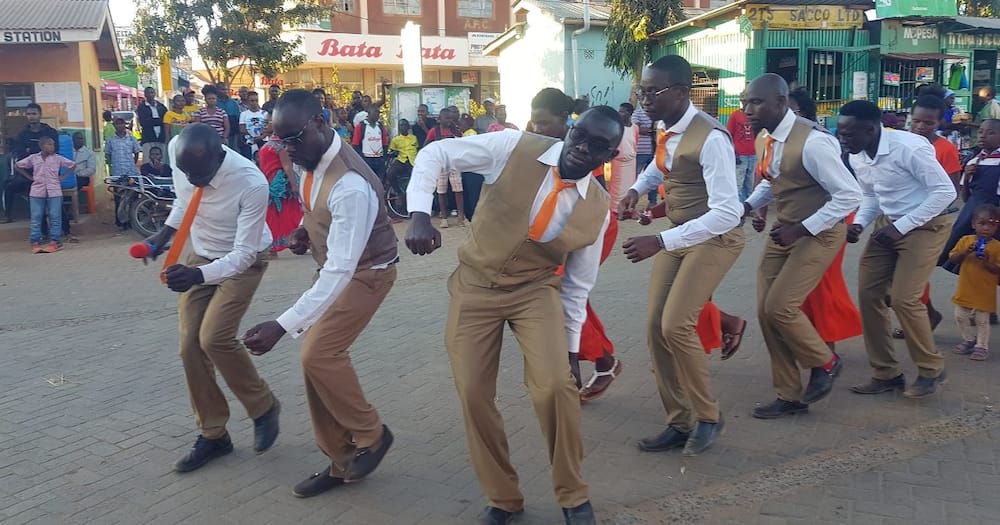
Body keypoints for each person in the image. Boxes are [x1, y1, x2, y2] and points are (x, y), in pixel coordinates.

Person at [404, 106, 622, 525]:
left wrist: (573, 350)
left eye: (599, 147)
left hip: (534, 291)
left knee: (556, 387)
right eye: (581, 136)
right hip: (475, 285)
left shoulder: (598, 207)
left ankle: (573, 495)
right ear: (571, 128)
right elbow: (436, 155)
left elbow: (577, 287)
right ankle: (503, 498)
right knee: (472, 392)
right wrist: (418, 213)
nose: (583, 149)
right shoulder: (512, 146)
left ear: (609, 156)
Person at [242, 90, 398, 498]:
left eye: (294, 138)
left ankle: (373, 434)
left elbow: (341, 270)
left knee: (318, 352)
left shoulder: (351, 185)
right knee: (314, 359)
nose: (289, 150)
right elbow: (315, 208)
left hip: (368, 273)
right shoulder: (306, 156)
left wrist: (281, 324)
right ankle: (340, 460)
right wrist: (304, 231)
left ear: (321, 123)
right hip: (337, 266)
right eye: (282, 141)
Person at [618, 56, 744, 456]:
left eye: (653, 92)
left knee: (676, 326)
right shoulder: (665, 127)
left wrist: (660, 241)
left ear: (682, 92)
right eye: (642, 90)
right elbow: (662, 168)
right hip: (678, 235)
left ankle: (709, 416)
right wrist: (637, 189)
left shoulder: (712, 138)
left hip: (716, 237)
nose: (645, 99)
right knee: (655, 328)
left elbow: (728, 212)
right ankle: (678, 421)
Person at [140, 123, 280, 473]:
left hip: (241, 261)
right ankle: (214, 433)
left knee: (214, 338)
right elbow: (185, 200)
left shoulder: (250, 181)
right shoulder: (181, 152)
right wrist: (162, 237)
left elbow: (245, 254)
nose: (193, 179)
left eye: (200, 174)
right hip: (201, 256)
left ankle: (263, 407)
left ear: (220, 156)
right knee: (189, 346)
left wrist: (196, 276)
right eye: (187, 173)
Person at [740, 74, 863, 419]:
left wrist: (802, 229)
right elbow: (772, 181)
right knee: (766, 311)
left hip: (819, 232)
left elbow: (850, 194)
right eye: (745, 102)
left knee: (780, 306)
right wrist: (747, 207)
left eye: (755, 102)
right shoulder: (767, 138)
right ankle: (789, 395)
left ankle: (826, 361)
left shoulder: (813, 142)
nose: (747, 110)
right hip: (786, 230)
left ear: (780, 103)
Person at [839, 100, 955, 399]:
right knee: (868, 294)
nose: (843, 140)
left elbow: (945, 192)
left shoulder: (908, 148)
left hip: (926, 225)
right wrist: (860, 224)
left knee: (905, 298)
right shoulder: (859, 156)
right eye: (841, 133)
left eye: (849, 134)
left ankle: (931, 369)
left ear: (870, 129)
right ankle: (885, 373)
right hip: (887, 225)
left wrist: (901, 228)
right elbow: (870, 195)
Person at [886, 95, 965, 339]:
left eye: (928, 123)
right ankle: (928, 313)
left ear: (940, 123)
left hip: (927, 222)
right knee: (892, 278)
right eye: (916, 121)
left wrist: (925, 212)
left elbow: (951, 189)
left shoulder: (945, 148)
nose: (920, 127)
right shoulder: (899, 142)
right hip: (897, 219)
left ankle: (921, 320)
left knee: (910, 279)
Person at [946, 204, 1000, 361]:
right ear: (973, 224)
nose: (986, 228)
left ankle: (982, 346)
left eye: (992, 224)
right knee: (960, 316)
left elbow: (997, 270)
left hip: (985, 291)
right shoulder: (965, 241)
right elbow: (952, 258)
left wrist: (987, 262)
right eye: (982, 224)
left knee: (982, 320)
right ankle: (969, 339)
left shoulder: (997, 247)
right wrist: (966, 251)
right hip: (965, 288)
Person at [15, 136, 74, 253]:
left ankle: (55, 241)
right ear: (42, 146)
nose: (53, 147)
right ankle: (35, 242)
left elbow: (72, 165)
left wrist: (63, 177)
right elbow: (18, 165)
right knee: (36, 217)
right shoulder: (33, 158)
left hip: (54, 191)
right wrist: (29, 177)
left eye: (53, 144)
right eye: (50, 144)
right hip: (37, 191)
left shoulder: (57, 158)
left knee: (55, 217)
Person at [3, 103, 60, 223]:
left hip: (48, 173)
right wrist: (38, 150)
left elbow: (54, 151)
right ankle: (7, 216)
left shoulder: (50, 132)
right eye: (28, 114)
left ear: (40, 115)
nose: (31, 116)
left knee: (42, 193)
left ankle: (62, 229)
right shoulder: (23, 135)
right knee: (9, 186)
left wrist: (31, 150)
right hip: (28, 174)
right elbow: (21, 154)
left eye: (34, 114)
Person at [256, 138, 303, 253]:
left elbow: (287, 166)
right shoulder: (272, 144)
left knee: (287, 213)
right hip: (271, 182)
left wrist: (293, 185)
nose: (266, 126)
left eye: (269, 124)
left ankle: (297, 239)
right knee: (275, 214)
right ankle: (275, 243)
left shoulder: (281, 146)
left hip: (281, 184)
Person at [424, 107, 465, 227]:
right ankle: (444, 217)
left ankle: (461, 217)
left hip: (453, 163)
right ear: (439, 119)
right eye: (446, 119)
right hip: (441, 164)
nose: (449, 121)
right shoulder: (434, 131)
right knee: (441, 191)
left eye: (450, 119)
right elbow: (425, 145)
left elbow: (461, 143)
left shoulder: (455, 131)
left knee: (458, 189)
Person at [104, 116, 142, 230]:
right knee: (118, 197)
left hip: (131, 172)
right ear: (114, 125)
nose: (119, 125)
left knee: (132, 197)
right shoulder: (110, 140)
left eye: (121, 123)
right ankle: (120, 222)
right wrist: (112, 166)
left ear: (124, 125)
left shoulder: (131, 139)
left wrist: (133, 164)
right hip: (117, 173)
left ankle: (132, 220)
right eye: (117, 123)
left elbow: (136, 152)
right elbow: (108, 155)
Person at [608, 102, 638, 211]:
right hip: (619, 161)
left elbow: (635, 142)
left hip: (631, 161)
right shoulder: (616, 127)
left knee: (630, 185)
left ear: (629, 113)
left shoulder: (635, 127)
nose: (619, 113)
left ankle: (627, 207)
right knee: (616, 186)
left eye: (622, 111)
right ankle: (615, 209)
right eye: (619, 111)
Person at [387, 118, 417, 216]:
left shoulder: (414, 138)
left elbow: (417, 148)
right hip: (401, 160)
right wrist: (392, 153)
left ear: (408, 127)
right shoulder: (395, 140)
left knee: (414, 182)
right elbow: (391, 151)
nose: (403, 127)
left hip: (412, 162)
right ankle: (398, 191)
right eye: (401, 125)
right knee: (390, 173)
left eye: (405, 125)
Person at [726, 106, 757, 201]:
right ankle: (737, 207)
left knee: (750, 183)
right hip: (740, 155)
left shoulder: (755, 115)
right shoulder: (735, 115)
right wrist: (734, 154)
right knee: (738, 183)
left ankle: (747, 207)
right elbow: (729, 136)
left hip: (753, 154)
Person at [351, 110, 389, 183]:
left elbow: (385, 143)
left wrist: (383, 157)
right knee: (367, 181)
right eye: (375, 114)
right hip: (367, 159)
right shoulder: (361, 126)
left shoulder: (380, 126)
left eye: (378, 114)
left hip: (379, 159)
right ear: (369, 114)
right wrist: (362, 158)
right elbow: (355, 144)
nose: (377, 116)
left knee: (380, 181)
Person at [631, 104, 657, 208]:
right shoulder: (637, 113)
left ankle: (653, 201)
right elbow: (637, 128)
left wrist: (651, 131)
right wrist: (653, 131)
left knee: (653, 177)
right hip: (640, 151)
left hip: (653, 151)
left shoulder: (655, 112)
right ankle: (631, 202)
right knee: (635, 177)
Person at [136, 87, 169, 162]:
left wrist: (152, 120)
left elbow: (166, 120)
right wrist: (159, 121)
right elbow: (143, 122)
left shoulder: (161, 107)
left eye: (152, 92)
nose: (150, 94)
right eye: (148, 93)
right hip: (148, 138)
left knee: (162, 161)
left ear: (155, 94)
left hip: (161, 138)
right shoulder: (142, 107)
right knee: (147, 161)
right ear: (145, 94)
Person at [239, 91, 267, 160]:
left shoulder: (264, 113)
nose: (254, 103)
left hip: (264, 141)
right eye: (252, 101)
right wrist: (253, 137)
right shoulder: (244, 114)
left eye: (256, 100)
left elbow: (269, 127)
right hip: (249, 142)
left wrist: (262, 136)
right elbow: (242, 129)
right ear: (247, 102)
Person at [216, 82, 242, 151]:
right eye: (222, 89)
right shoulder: (214, 102)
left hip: (233, 133)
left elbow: (238, 118)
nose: (225, 91)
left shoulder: (233, 103)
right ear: (217, 90)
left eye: (226, 89)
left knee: (234, 151)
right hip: (218, 133)